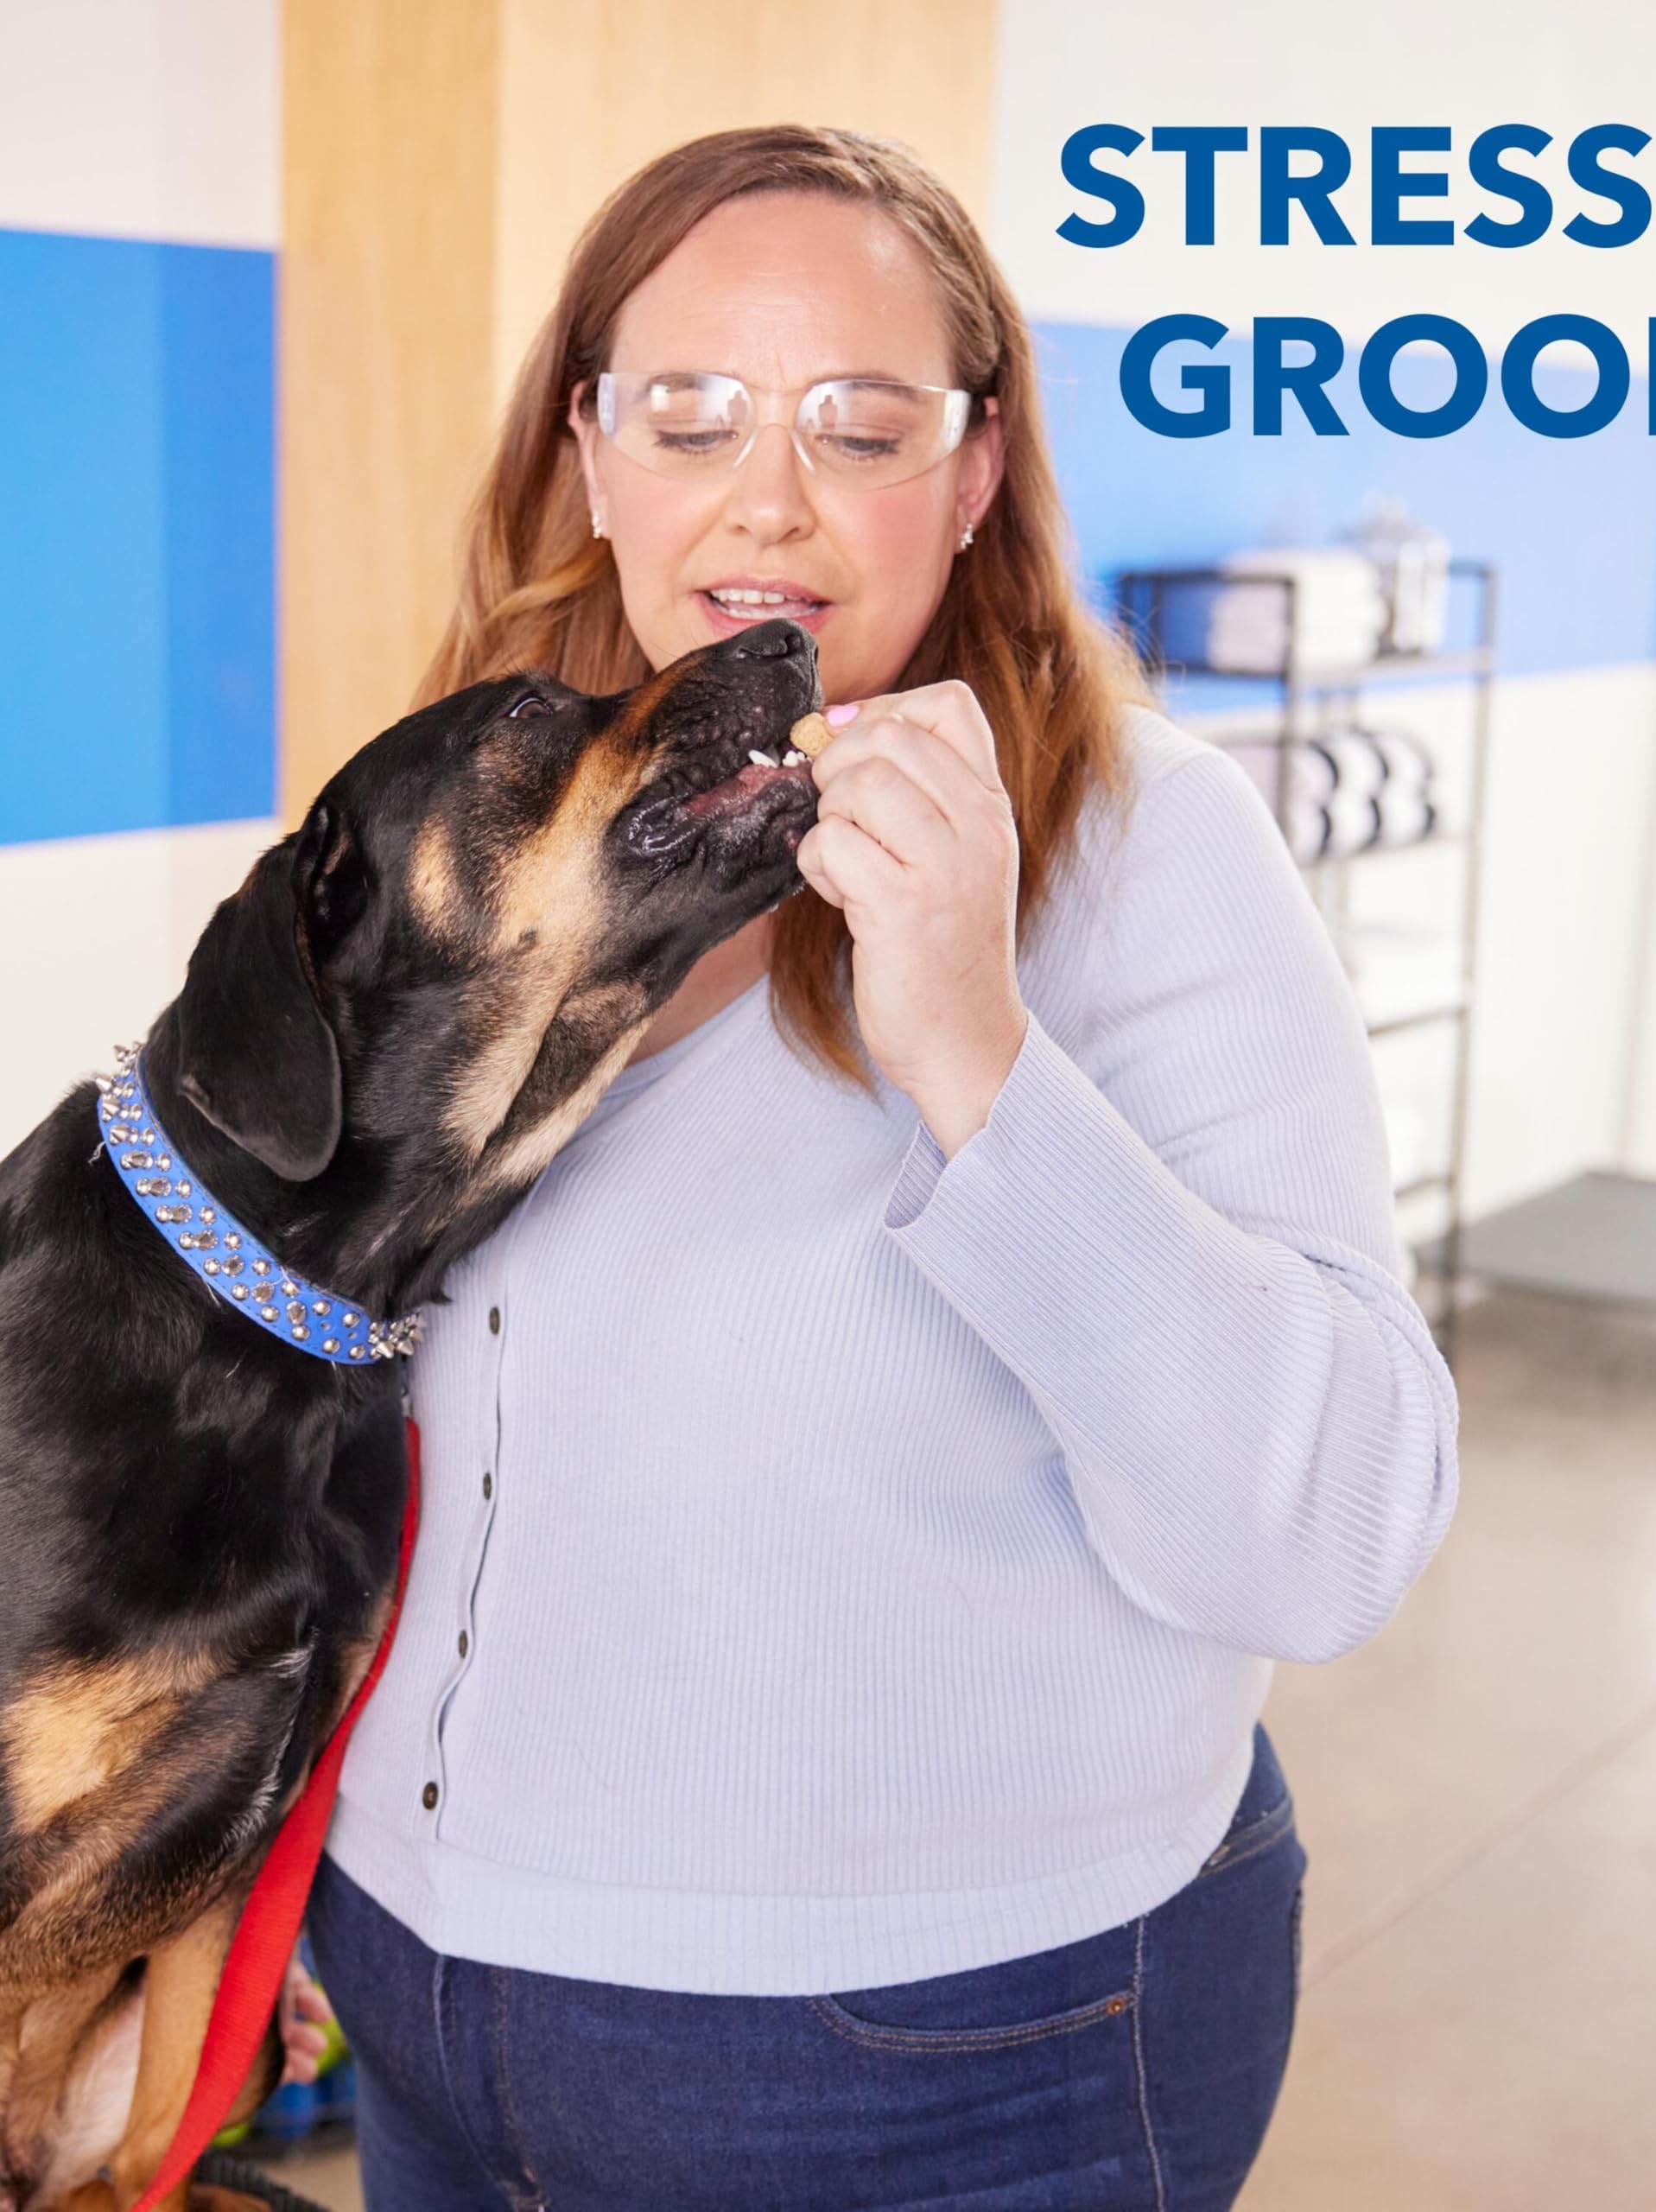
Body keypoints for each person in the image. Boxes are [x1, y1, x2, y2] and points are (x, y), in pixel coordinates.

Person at [299, 124, 1458, 2211]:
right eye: (689, 415)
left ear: (976, 466)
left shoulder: (1143, 854)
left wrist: (975, 1051)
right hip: (413, 1995)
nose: (767, 497)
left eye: (858, 422)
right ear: (587, 450)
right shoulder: (475, 835)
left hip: (937, 2057)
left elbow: (1322, 1534)